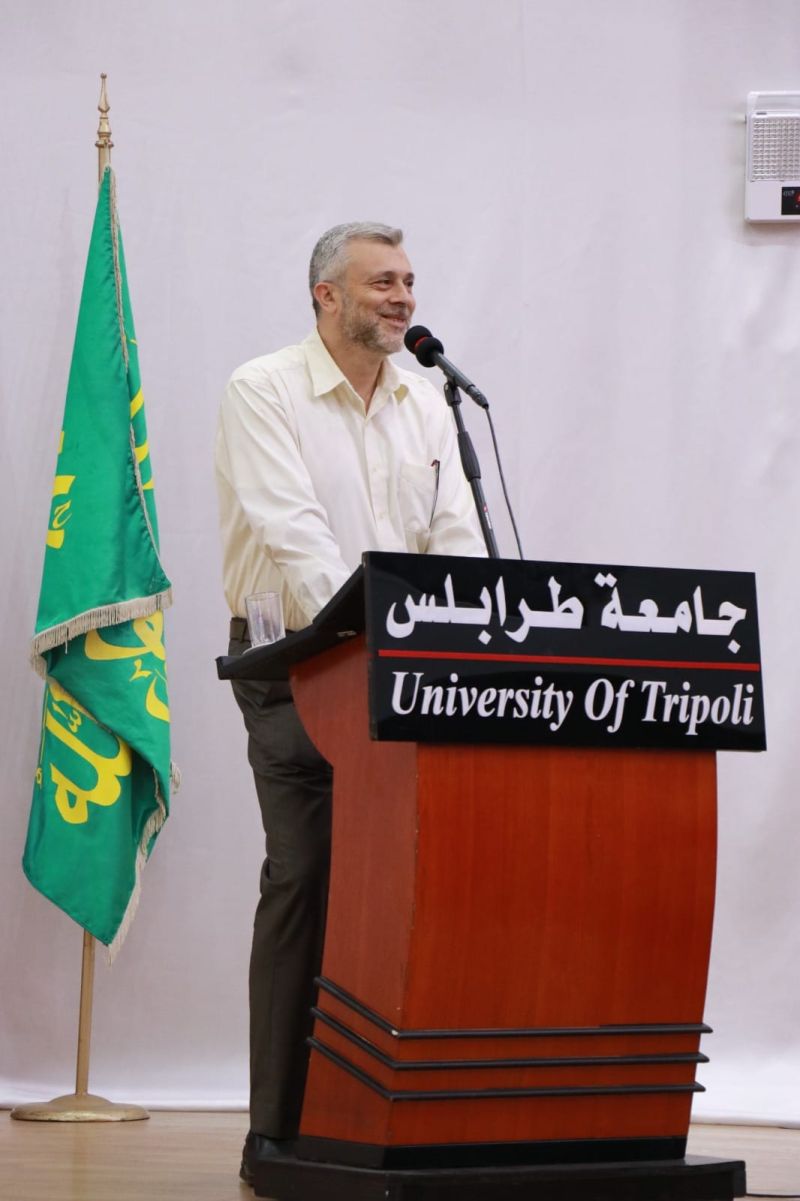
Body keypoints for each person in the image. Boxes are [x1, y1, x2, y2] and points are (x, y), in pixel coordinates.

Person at [215, 221, 485, 1185]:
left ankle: (391, 1116)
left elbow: (456, 537)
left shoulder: (426, 402)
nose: (403, 297)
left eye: (408, 281)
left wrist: (466, 638)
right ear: (325, 295)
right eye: (382, 283)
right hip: (296, 666)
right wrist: (370, 642)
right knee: (308, 873)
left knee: (414, 884)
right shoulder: (263, 389)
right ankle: (276, 1129)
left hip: (411, 672)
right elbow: (294, 535)